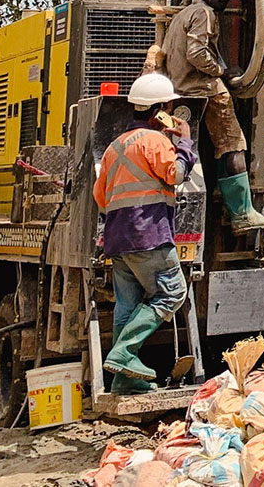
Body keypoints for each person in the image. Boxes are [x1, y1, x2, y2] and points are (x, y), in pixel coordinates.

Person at [94, 73, 197, 395]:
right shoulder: (156, 141)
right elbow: (176, 174)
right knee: (172, 293)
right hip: (148, 233)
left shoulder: (114, 147)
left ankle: (124, 379)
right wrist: (184, 141)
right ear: (159, 110)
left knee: (128, 304)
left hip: (118, 237)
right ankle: (123, 354)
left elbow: (101, 196)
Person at [161, 0, 264, 230]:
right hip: (206, 91)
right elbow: (197, 53)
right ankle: (243, 214)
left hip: (180, 92)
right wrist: (223, 71)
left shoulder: (183, 14)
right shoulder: (205, 13)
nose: (224, 0)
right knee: (233, 146)